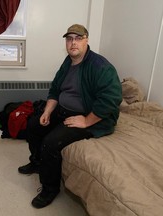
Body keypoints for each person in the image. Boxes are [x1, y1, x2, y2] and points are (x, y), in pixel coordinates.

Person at [18, 24, 122, 208]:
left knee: (51, 143)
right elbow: (56, 89)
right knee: (33, 125)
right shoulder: (68, 61)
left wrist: (87, 120)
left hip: (89, 116)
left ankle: (50, 189)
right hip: (63, 109)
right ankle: (36, 162)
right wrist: (48, 111)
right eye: (69, 39)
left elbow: (112, 98)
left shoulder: (100, 66)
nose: (73, 42)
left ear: (86, 40)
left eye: (78, 38)